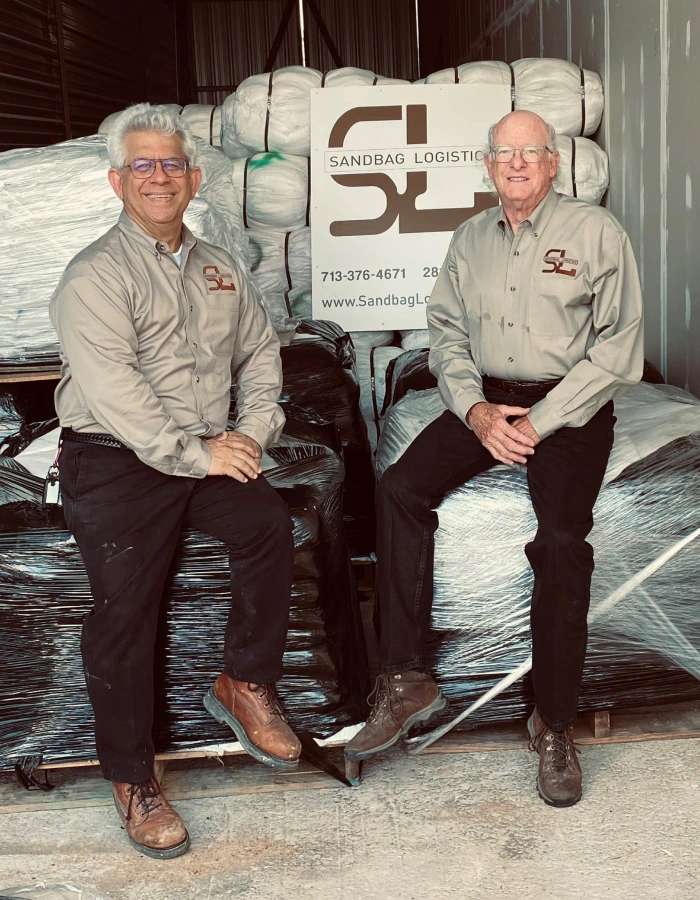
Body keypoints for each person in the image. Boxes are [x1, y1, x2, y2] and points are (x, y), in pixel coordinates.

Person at [345, 110, 644, 808]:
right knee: (398, 490)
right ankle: (407, 677)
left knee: (563, 541)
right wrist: (476, 411)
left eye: (529, 153)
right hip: (488, 401)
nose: (515, 164)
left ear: (553, 163)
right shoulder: (469, 239)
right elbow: (444, 332)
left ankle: (555, 723)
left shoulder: (596, 233)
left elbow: (619, 348)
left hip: (569, 406)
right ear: (487, 166)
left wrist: (538, 422)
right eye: (503, 154)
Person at [50, 103, 300, 859]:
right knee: (125, 612)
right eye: (144, 166)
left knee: (267, 525)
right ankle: (133, 780)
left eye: (172, 165)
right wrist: (199, 456)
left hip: (203, 447)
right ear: (117, 181)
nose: (160, 177)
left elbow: (261, 355)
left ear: (194, 178)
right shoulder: (95, 274)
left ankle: (244, 681)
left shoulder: (220, 264)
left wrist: (249, 435)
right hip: (115, 455)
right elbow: (117, 392)